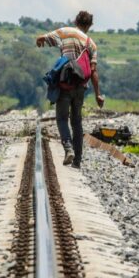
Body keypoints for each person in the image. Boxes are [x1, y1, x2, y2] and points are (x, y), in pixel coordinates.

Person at [36, 11, 104, 169]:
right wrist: (98, 94)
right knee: (77, 122)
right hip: (80, 86)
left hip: (65, 83)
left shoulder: (65, 32)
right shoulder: (91, 43)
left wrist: (40, 39)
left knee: (61, 119)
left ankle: (68, 149)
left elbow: (44, 38)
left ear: (75, 21)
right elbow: (93, 71)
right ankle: (77, 160)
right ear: (90, 25)